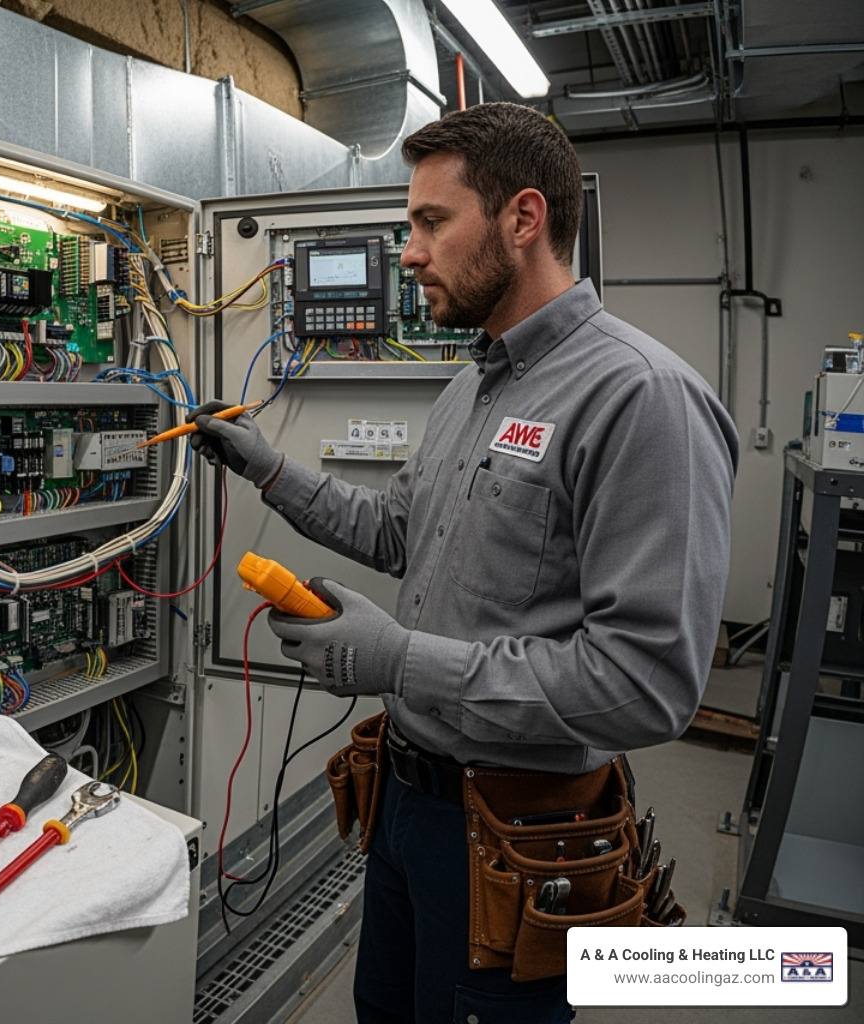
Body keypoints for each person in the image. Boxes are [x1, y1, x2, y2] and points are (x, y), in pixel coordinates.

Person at [188, 103, 738, 1023]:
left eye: (431, 222)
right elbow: (398, 530)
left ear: (523, 219)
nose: (409, 253)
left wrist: (399, 660)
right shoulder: (471, 385)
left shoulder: (641, 399)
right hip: (408, 806)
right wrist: (270, 471)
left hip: (520, 832)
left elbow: (646, 684)